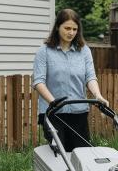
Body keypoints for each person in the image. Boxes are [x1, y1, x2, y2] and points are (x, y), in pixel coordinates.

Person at [32, 9, 109, 152]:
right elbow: (38, 82)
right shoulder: (44, 51)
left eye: (74, 29)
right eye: (67, 28)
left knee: (82, 154)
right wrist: (53, 102)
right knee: (59, 153)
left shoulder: (84, 50)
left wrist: (97, 95)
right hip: (53, 113)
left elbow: (90, 77)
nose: (71, 32)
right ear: (57, 27)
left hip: (78, 113)